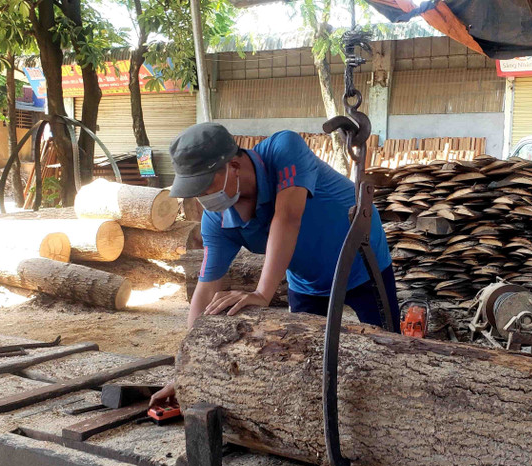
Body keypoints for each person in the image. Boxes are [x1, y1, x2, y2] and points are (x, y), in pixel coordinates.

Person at [149, 123, 400, 407]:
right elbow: (205, 290)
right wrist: (185, 370)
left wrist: (261, 294)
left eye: (205, 185)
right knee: (304, 362)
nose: (202, 198)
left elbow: (287, 217)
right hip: (307, 282)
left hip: (364, 264)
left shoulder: (284, 150)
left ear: (233, 165)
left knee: (390, 351)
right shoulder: (217, 220)